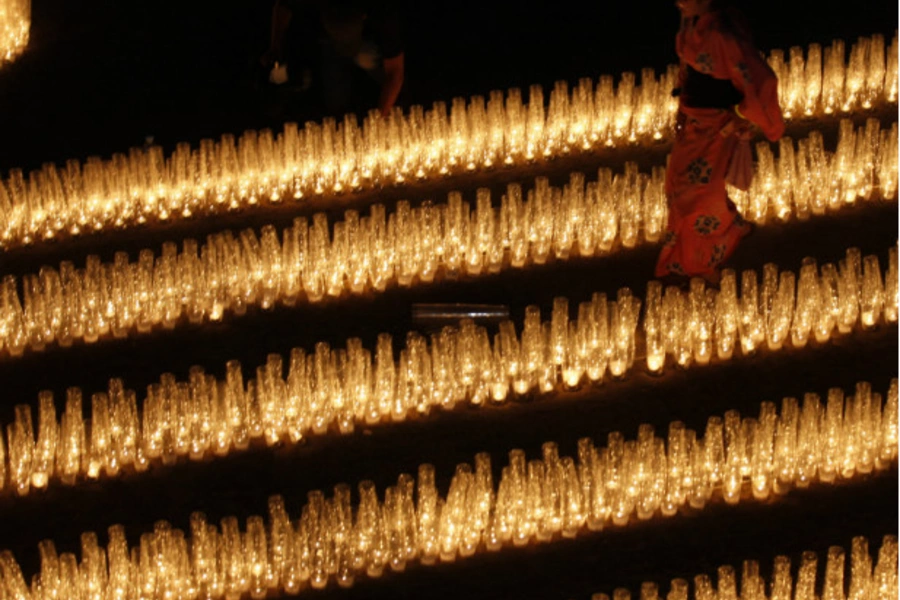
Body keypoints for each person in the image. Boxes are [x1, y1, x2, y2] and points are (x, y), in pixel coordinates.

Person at [655, 0, 784, 285]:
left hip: (717, 125)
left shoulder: (723, 34)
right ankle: (731, 226)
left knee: (697, 192)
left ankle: (701, 259)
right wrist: (681, 109)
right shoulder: (691, 24)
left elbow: (760, 80)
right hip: (693, 119)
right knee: (679, 184)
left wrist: (739, 114)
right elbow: (687, 70)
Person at [261, 0, 405, 118]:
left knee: (390, 90)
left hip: (368, 46)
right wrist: (275, 46)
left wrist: (378, 121)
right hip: (330, 44)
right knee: (335, 102)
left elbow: (395, 72)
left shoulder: (383, 12)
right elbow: (283, 7)